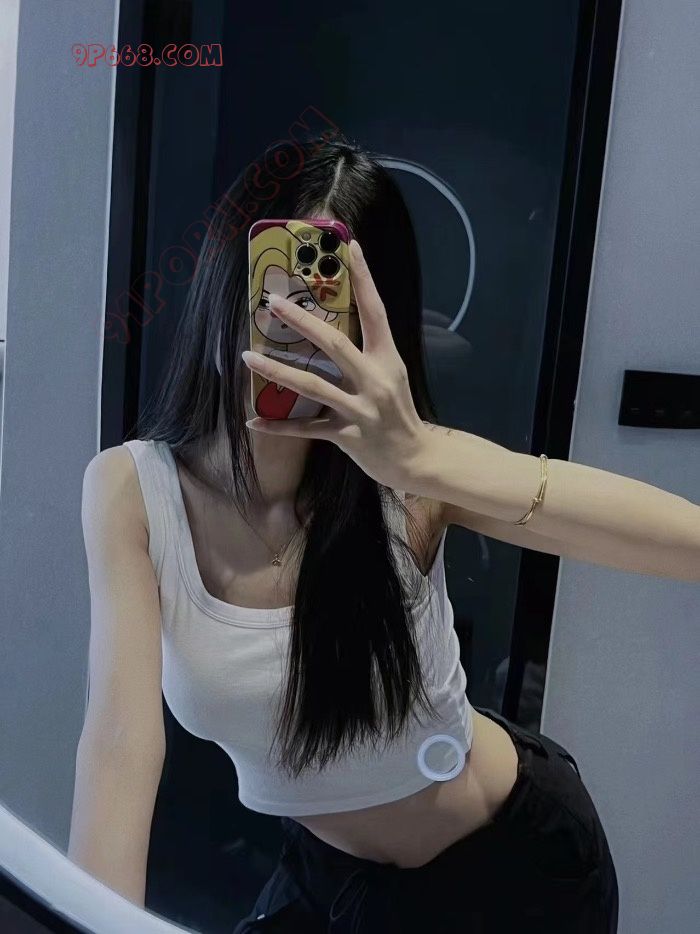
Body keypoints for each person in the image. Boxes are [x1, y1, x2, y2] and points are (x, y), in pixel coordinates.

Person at [70, 137, 698, 932]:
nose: (290, 327)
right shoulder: (132, 491)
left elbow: (685, 545)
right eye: (273, 291)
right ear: (225, 282)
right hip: (329, 877)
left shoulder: (411, 475)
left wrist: (421, 457)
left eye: (323, 304)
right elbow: (119, 746)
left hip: (510, 872)